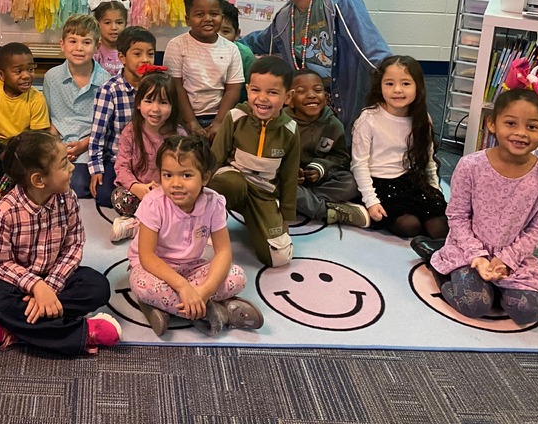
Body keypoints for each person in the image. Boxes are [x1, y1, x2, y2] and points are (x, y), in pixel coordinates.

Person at [0, 131, 122, 354]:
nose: (72, 168)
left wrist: (50, 288)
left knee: (98, 287)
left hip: (59, 277)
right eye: (64, 164)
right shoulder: (6, 211)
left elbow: (74, 246)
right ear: (38, 180)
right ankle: (83, 333)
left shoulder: (68, 198)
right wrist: (36, 286)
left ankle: (12, 329)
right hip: (20, 282)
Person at [424, 89, 538, 326]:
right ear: (492, 123)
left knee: (528, 312)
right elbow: (457, 216)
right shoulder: (470, 166)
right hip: (468, 251)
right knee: (474, 305)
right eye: (510, 123)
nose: (520, 133)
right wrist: (477, 258)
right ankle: (439, 266)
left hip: (513, 257)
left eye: (531, 127)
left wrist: (507, 260)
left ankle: (494, 288)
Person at [242, 0, 390, 133]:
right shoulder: (284, 19)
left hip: (349, 96)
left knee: (353, 148)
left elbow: (371, 49)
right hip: (314, 105)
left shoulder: (336, 0)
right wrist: (230, 42)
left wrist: (398, 86)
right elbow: (261, 41)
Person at [129, 134, 264, 337]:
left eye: (186, 175)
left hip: (192, 267)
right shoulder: (153, 203)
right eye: (167, 175)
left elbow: (223, 252)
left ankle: (173, 308)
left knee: (237, 277)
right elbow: (146, 257)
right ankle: (215, 312)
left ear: (205, 177)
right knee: (143, 286)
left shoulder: (214, 202)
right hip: (154, 269)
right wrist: (183, 287)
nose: (176, 183)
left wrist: (205, 290)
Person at [209, 56, 299, 267]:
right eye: (256, 90)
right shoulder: (235, 117)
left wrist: (285, 218)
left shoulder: (290, 131)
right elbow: (214, 159)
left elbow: (289, 178)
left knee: (278, 258)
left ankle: (256, 221)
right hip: (232, 181)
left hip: (263, 194)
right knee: (230, 183)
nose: (262, 98)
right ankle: (206, 221)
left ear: (288, 96)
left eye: (273, 92)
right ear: (247, 89)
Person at [350, 55, 448, 239]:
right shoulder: (368, 119)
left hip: (409, 180)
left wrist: (435, 189)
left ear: (417, 87)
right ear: (380, 86)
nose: (397, 90)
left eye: (405, 84)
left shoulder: (422, 118)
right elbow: (359, 164)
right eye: (389, 84)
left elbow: (427, 159)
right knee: (409, 226)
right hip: (380, 183)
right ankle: (357, 208)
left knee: (440, 228)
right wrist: (371, 201)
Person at [286, 68, 368, 229]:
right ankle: (327, 211)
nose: (311, 95)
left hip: (319, 182)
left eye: (318, 90)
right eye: (302, 91)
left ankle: (300, 203)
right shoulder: (282, 123)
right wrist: (290, 172)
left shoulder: (333, 123)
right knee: (276, 186)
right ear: (289, 98)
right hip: (289, 181)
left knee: (351, 183)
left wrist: (321, 167)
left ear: (326, 95)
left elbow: (341, 157)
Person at [164, 0, 244, 141]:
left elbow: (233, 89)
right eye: (199, 14)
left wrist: (219, 123)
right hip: (183, 117)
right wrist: (192, 122)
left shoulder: (231, 49)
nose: (207, 18)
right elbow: (176, 86)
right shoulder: (177, 45)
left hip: (219, 116)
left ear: (221, 16)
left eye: (214, 14)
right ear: (188, 19)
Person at [89, 26, 157, 207]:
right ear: (122, 58)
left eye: (150, 54)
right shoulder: (110, 90)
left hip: (153, 157)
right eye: (137, 54)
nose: (145, 59)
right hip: (119, 159)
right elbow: (98, 134)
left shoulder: (158, 86)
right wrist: (96, 169)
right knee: (104, 196)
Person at [110, 71, 182, 241]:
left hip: (167, 193)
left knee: (188, 200)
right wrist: (138, 188)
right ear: (138, 104)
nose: (155, 109)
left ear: (172, 106)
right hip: (140, 191)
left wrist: (164, 189)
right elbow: (122, 167)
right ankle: (147, 224)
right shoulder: (130, 131)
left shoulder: (178, 136)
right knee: (119, 197)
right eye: (149, 101)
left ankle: (141, 226)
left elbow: (182, 172)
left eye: (163, 102)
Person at [44, 14, 111, 199]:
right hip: (58, 144)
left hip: (91, 146)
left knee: (78, 184)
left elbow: (107, 127)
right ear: (62, 44)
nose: (79, 48)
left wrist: (83, 145)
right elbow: (50, 119)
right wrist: (58, 147)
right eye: (72, 41)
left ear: (97, 46)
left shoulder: (106, 82)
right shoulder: (52, 77)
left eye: (86, 42)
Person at [0, 43, 51, 159]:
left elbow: (36, 139)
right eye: (18, 71)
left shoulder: (37, 99)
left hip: (23, 146)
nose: (26, 76)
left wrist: (10, 154)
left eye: (30, 69)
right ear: (1, 75)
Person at [220, 0, 256, 97]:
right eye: (213, 30)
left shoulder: (245, 56)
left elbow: (252, 91)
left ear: (237, 34)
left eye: (225, 31)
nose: (218, 37)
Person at [92, 0, 128, 78]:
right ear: (98, 24)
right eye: (107, 23)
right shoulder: (94, 52)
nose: (114, 27)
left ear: (126, 24)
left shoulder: (130, 50)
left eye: (119, 23)